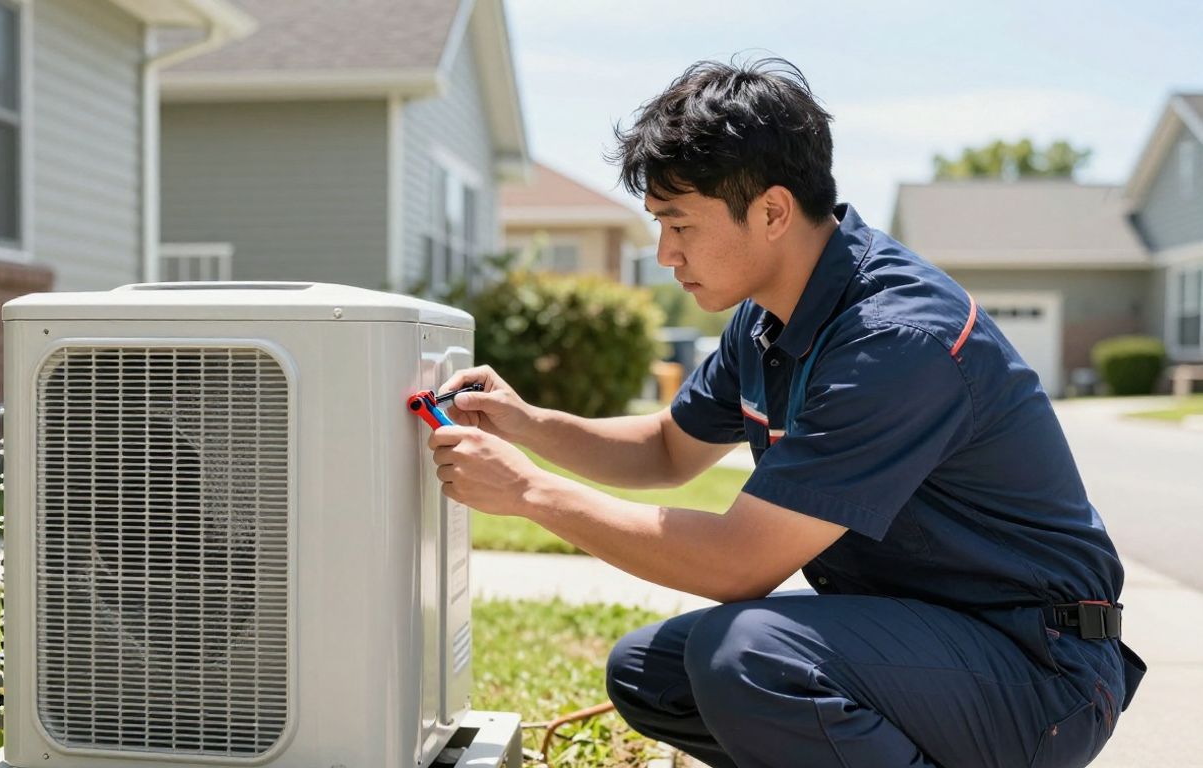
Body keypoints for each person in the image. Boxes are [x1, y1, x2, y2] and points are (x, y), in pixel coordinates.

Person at [426, 57, 1144, 768]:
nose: (665, 253)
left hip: (1040, 668)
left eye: (680, 225)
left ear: (771, 211)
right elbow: (666, 449)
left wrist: (529, 492)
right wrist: (527, 422)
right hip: (930, 637)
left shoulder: (895, 340)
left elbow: (739, 566)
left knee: (749, 658)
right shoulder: (767, 317)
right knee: (653, 673)